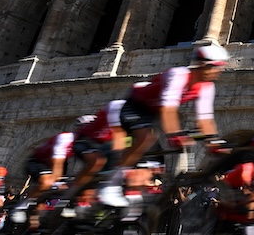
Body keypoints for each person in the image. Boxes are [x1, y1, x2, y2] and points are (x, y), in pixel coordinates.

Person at [98, 45, 229, 207]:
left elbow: (205, 119)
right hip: (135, 105)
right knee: (145, 137)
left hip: (152, 114)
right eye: (217, 67)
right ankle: (110, 184)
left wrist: (213, 143)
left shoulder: (207, 87)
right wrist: (174, 135)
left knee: (152, 163)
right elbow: (168, 110)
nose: (220, 72)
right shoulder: (179, 75)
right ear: (204, 66)